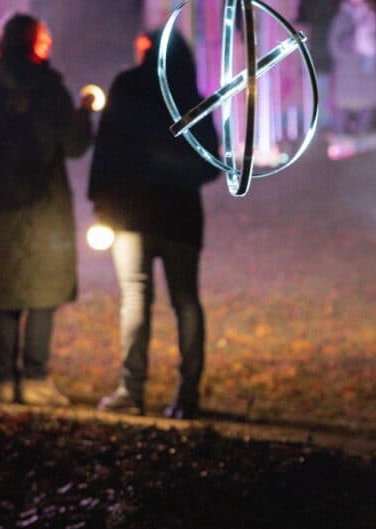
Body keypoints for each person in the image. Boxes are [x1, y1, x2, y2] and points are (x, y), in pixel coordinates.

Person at [88, 30, 221, 419]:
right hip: (179, 213)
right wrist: (177, 174)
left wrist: (102, 202)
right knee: (185, 302)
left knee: (136, 298)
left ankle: (132, 389)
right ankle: (188, 393)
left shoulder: (127, 86)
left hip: (132, 213)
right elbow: (210, 163)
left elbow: (107, 149)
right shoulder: (189, 94)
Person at [0, 13, 94, 406]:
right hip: (44, 205)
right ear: (35, 43)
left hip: (0, 207)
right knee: (43, 291)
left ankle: (4, 379)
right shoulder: (48, 89)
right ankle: (35, 377)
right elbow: (74, 146)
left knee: (8, 293)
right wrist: (85, 111)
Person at [328, 0, 376, 135]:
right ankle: (340, 134)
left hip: (368, 71)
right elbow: (334, 47)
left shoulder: (374, 18)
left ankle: (362, 136)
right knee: (342, 105)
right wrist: (353, 39)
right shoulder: (342, 18)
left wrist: (374, 46)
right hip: (347, 73)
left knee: (367, 105)